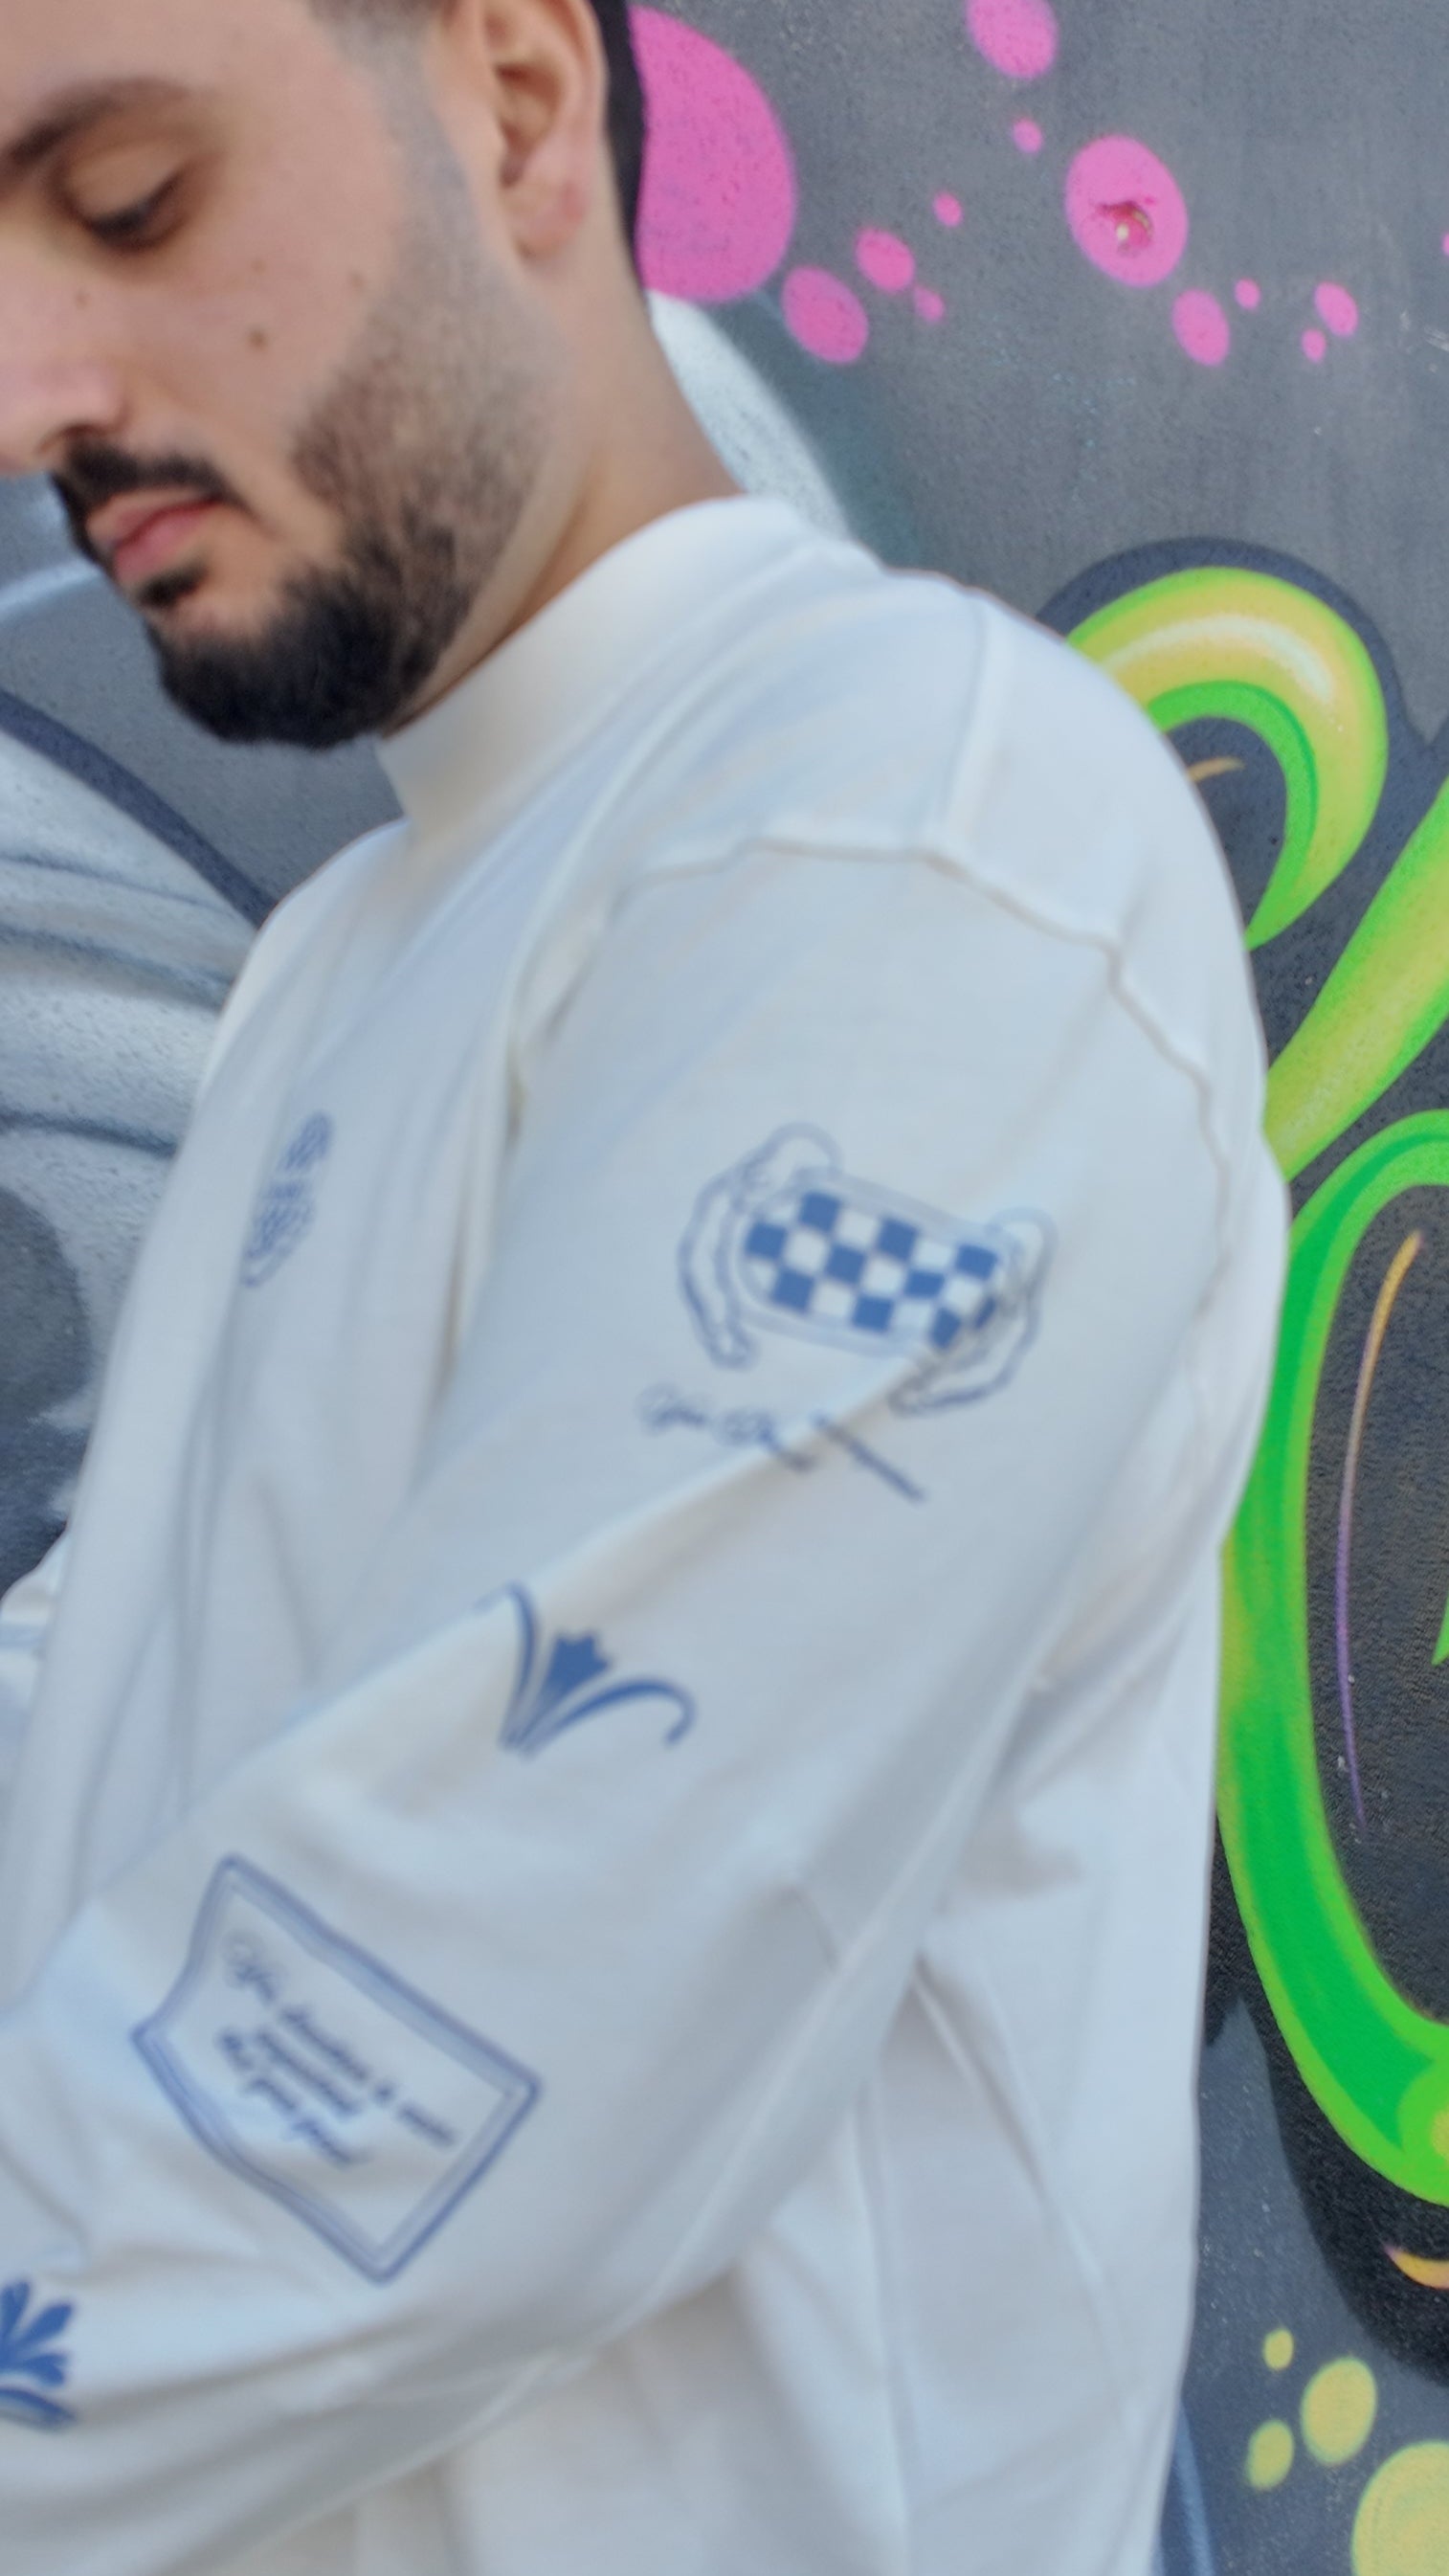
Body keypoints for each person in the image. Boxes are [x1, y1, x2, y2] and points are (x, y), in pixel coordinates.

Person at [0, 2, 1285, 2570]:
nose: (39, 387)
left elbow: (410, 2091)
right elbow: (117, 1758)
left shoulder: (898, 827)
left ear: (509, 93)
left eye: (130, 201)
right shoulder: (362, 948)